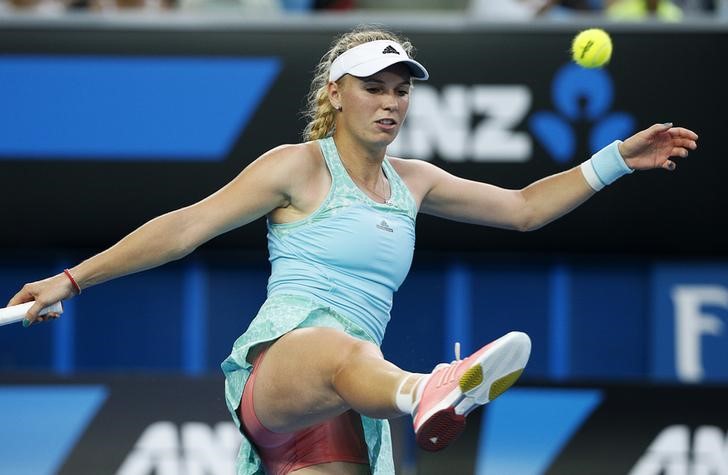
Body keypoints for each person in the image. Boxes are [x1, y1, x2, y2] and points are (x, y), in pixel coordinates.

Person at [8, 25, 698, 475]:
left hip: (343, 415)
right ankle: (425, 388)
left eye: (401, 92)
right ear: (336, 95)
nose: (392, 103)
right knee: (334, 344)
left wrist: (616, 158)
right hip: (283, 371)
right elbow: (187, 226)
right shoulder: (296, 166)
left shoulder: (415, 181)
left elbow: (524, 209)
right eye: (374, 88)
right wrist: (71, 279)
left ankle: (420, 391)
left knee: (349, 362)